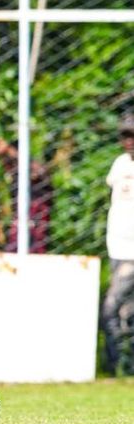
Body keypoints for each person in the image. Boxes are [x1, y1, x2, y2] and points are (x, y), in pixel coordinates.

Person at [101, 114, 134, 375]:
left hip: (132, 254)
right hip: (117, 249)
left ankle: (115, 366)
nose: (129, 141)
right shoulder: (121, 163)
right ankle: (124, 366)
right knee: (125, 311)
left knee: (110, 308)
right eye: (125, 135)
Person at [0, 137, 52, 253]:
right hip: (21, 219)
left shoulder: (32, 173)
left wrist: (9, 150)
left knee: (32, 251)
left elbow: (41, 171)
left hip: (34, 218)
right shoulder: (15, 176)